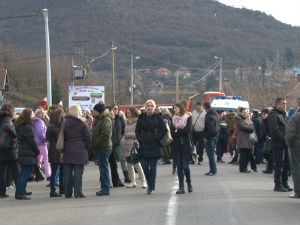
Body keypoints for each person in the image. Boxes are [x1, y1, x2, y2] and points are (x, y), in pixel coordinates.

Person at [135, 99, 167, 194]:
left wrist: (157, 138)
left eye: (151, 106)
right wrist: (140, 138)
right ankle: (149, 183)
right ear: (145, 107)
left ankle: (151, 187)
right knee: (144, 166)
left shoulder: (157, 117)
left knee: (153, 167)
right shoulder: (141, 117)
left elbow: (164, 129)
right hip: (144, 144)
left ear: (154, 107)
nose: (149, 107)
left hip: (154, 144)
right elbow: (137, 130)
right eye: (148, 106)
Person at [63, 105, 91, 198]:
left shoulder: (65, 123)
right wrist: (87, 150)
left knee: (67, 173)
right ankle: (78, 192)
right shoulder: (82, 124)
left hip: (67, 149)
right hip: (80, 150)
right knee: (78, 173)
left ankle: (67, 192)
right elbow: (88, 138)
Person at [14, 109, 40, 200]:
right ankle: (20, 193)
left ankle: (21, 191)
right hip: (28, 152)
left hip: (22, 151)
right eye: (32, 114)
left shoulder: (20, 126)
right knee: (25, 173)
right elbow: (31, 141)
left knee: (23, 173)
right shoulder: (27, 127)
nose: (33, 116)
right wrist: (37, 151)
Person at [268, 97, 292, 192]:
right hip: (278, 144)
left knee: (287, 164)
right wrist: (283, 138)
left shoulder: (283, 115)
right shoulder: (274, 115)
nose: (285, 105)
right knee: (279, 164)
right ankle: (278, 184)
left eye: (285, 103)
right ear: (277, 104)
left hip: (285, 144)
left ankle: (284, 183)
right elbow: (274, 130)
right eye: (283, 103)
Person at [120, 107, 147, 188]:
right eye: (127, 112)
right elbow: (124, 133)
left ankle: (143, 181)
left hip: (133, 145)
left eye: (129, 112)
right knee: (129, 164)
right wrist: (122, 140)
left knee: (136, 164)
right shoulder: (126, 122)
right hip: (126, 146)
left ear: (133, 113)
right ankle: (133, 182)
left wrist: (128, 135)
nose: (127, 114)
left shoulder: (138, 122)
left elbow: (139, 134)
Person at [170, 103, 193, 194]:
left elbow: (188, 130)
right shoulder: (173, 119)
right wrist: (178, 132)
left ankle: (189, 182)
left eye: (176, 108)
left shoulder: (188, 117)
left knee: (185, 167)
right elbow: (172, 133)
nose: (174, 109)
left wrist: (178, 131)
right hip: (176, 145)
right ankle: (181, 187)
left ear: (180, 108)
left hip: (186, 145)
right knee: (179, 167)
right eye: (174, 108)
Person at [92, 103, 113, 196]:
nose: (93, 112)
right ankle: (104, 187)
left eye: (94, 110)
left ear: (99, 111)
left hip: (104, 147)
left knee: (104, 168)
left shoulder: (105, 119)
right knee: (103, 168)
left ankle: (106, 188)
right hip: (102, 147)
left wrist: (96, 142)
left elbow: (106, 134)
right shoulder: (100, 119)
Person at [0, 103, 19, 198]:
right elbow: (7, 127)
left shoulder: (1, 118)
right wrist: (15, 135)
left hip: (1, 148)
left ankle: (1, 192)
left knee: (1, 171)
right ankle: (20, 191)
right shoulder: (7, 119)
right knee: (15, 171)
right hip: (9, 149)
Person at [46, 108, 64, 197]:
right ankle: (53, 190)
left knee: (59, 170)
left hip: (54, 149)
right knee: (56, 171)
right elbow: (59, 138)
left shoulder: (51, 126)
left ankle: (60, 188)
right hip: (56, 150)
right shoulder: (54, 128)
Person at [110, 103, 130, 184]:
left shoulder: (120, 119)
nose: (116, 110)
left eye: (117, 109)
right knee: (111, 161)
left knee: (122, 159)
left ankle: (126, 176)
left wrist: (122, 138)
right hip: (109, 143)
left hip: (118, 142)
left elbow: (124, 130)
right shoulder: (108, 118)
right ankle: (104, 178)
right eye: (114, 109)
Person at [236, 107, 256, 173]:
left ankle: (245, 168)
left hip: (247, 140)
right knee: (243, 155)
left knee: (247, 155)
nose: (245, 114)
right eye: (244, 112)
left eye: (246, 112)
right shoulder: (239, 119)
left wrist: (250, 124)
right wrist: (250, 127)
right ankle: (242, 169)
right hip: (242, 140)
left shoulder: (246, 119)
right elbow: (244, 127)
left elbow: (253, 128)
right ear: (240, 112)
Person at [285, 109, 300, 198]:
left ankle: (298, 191)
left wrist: (288, 143)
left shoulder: (296, 116)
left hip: (296, 146)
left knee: (296, 169)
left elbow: (290, 133)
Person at [33, 108, 51, 179]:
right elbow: (41, 132)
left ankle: (39, 174)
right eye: (41, 113)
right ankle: (48, 174)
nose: (43, 114)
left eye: (43, 113)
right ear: (37, 114)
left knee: (39, 159)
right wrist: (45, 140)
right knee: (46, 159)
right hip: (41, 143)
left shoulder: (35, 121)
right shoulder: (40, 122)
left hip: (36, 142)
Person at [203, 102, 219, 176]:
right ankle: (213, 170)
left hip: (210, 137)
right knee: (211, 153)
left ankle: (212, 170)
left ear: (205, 107)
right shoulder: (215, 114)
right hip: (214, 136)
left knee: (210, 154)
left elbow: (209, 128)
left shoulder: (209, 116)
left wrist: (206, 137)